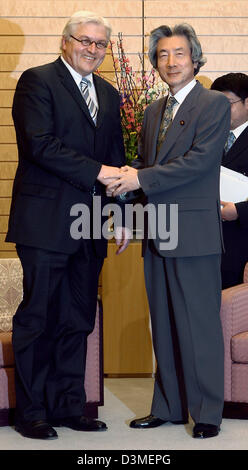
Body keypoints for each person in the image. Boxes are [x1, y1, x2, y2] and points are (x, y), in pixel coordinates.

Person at [6, 10, 129, 440]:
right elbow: (40, 145)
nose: (92, 50)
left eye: (100, 44)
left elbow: (118, 160)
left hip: (91, 224)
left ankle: (70, 406)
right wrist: (97, 170)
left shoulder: (110, 95)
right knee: (38, 317)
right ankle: (33, 411)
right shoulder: (38, 81)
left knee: (77, 318)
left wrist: (124, 214)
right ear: (65, 41)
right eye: (85, 41)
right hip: (45, 221)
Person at [107, 23, 230, 438]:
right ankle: (170, 407)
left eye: (179, 53)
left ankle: (208, 413)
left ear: (194, 58)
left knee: (200, 327)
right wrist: (126, 213)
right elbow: (144, 169)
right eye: (162, 55)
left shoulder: (213, 104)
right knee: (163, 324)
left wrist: (138, 180)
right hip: (157, 232)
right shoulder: (152, 112)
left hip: (194, 235)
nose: (170, 62)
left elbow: (199, 162)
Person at [211, 73, 248, 289]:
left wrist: (239, 211)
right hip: (206, 245)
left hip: (241, 247)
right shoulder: (209, 137)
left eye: (228, 104)